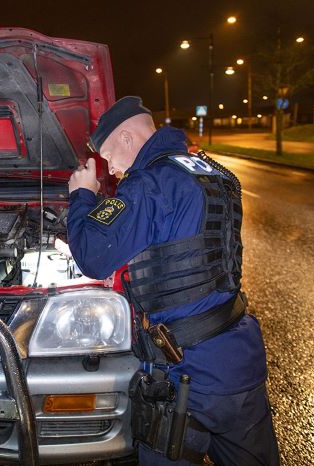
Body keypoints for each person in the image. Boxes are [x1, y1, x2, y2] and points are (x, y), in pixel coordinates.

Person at [66, 96, 279, 465]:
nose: (110, 168)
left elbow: (93, 256)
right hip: (238, 357)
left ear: (128, 138)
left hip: (187, 372)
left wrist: (82, 196)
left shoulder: (150, 183)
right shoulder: (212, 172)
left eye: (108, 156)